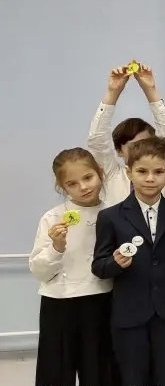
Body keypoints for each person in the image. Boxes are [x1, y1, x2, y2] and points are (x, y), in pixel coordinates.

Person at [91, 137, 165, 386]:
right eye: (142, 171)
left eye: (158, 172)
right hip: (129, 316)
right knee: (133, 378)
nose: (150, 178)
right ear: (129, 172)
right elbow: (99, 266)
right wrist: (115, 263)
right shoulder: (110, 217)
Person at [30, 148, 115, 386]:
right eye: (72, 184)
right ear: (62, 187)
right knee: (55, 372)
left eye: (88, 177)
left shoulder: (114, 214)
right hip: (59, 304)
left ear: (100, 173)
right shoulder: (52, 218)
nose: (83, 187)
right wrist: (56, 247)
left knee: (100, 372)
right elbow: (39, 271)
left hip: (101, 301)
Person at [87, 62, 165, 205]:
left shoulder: (158, 171)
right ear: (119, 150)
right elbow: (97, 140)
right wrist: (112, 92)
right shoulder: (112, 174)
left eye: (146, 144)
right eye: (133, 146)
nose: (141, 151)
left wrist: (150, 89)